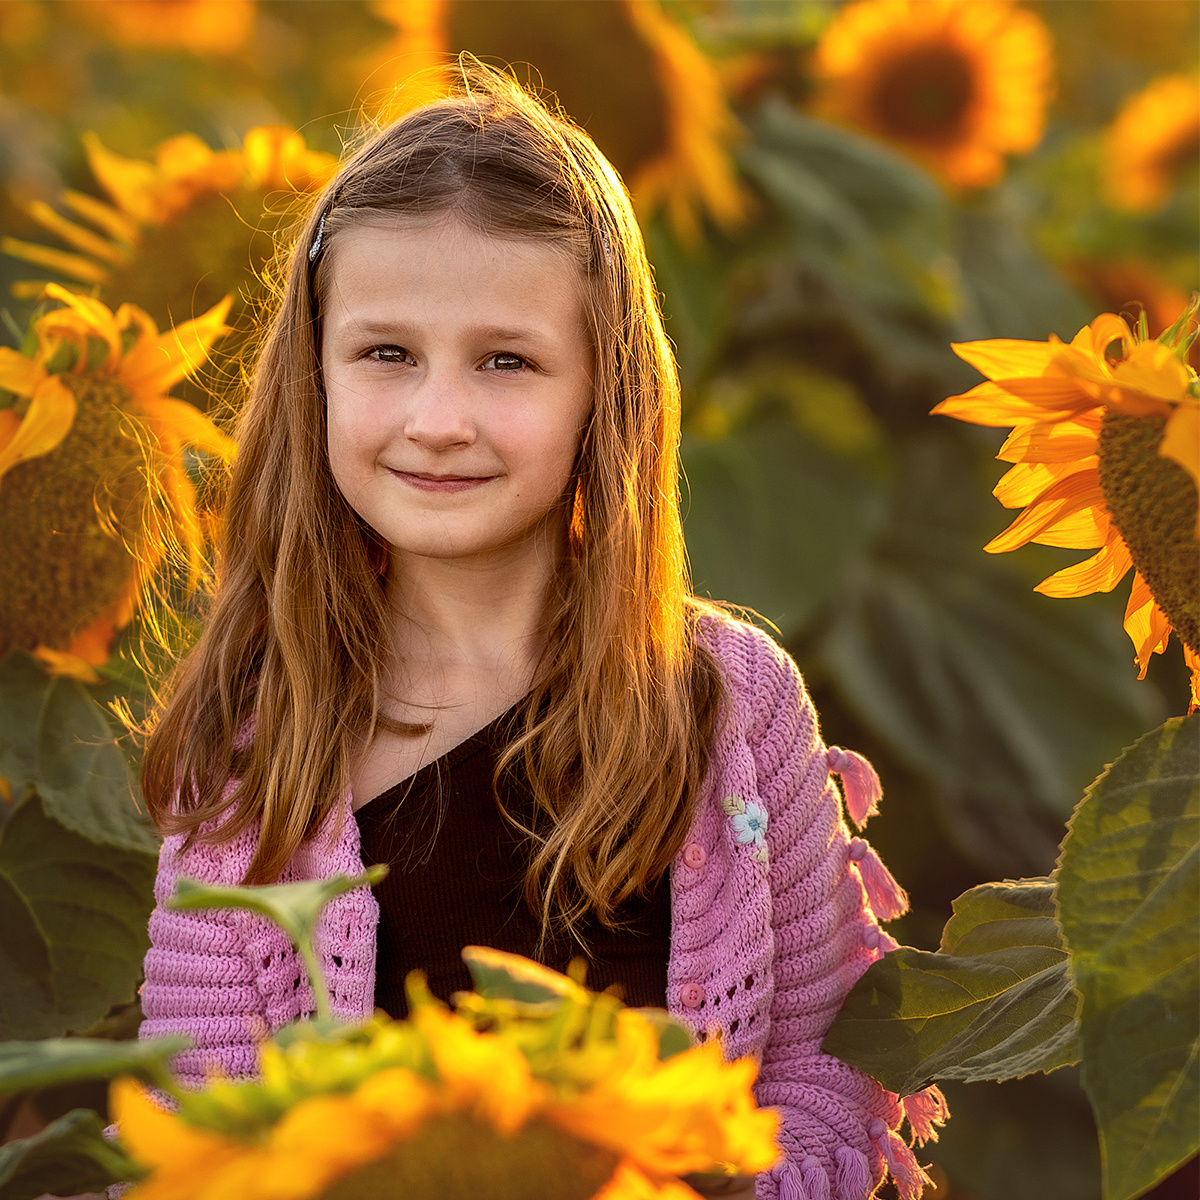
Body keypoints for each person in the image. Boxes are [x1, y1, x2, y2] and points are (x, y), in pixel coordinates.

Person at [135, 66, 944, 1200]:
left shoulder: (726, 700)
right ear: (314, 375)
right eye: (387, 354)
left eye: (506, 361)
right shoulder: (259, 745)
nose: (439, 420)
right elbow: (198, 1123)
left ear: (602, 390)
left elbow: (826, 1062)